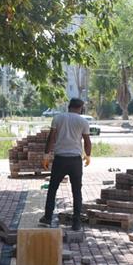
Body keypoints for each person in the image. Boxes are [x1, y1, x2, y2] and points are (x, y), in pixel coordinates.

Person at [39, 98, 91, 230]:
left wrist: (46, 155)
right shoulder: (83, 121)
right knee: (76, 191)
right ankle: (76, 223)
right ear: (81, 108)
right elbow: (87, 141)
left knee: (52, 189)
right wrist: (88, 155)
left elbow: (51, 138)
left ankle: (47, 218)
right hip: (75, 161)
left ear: (69, 106)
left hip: (60, 160)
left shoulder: (58, 118)